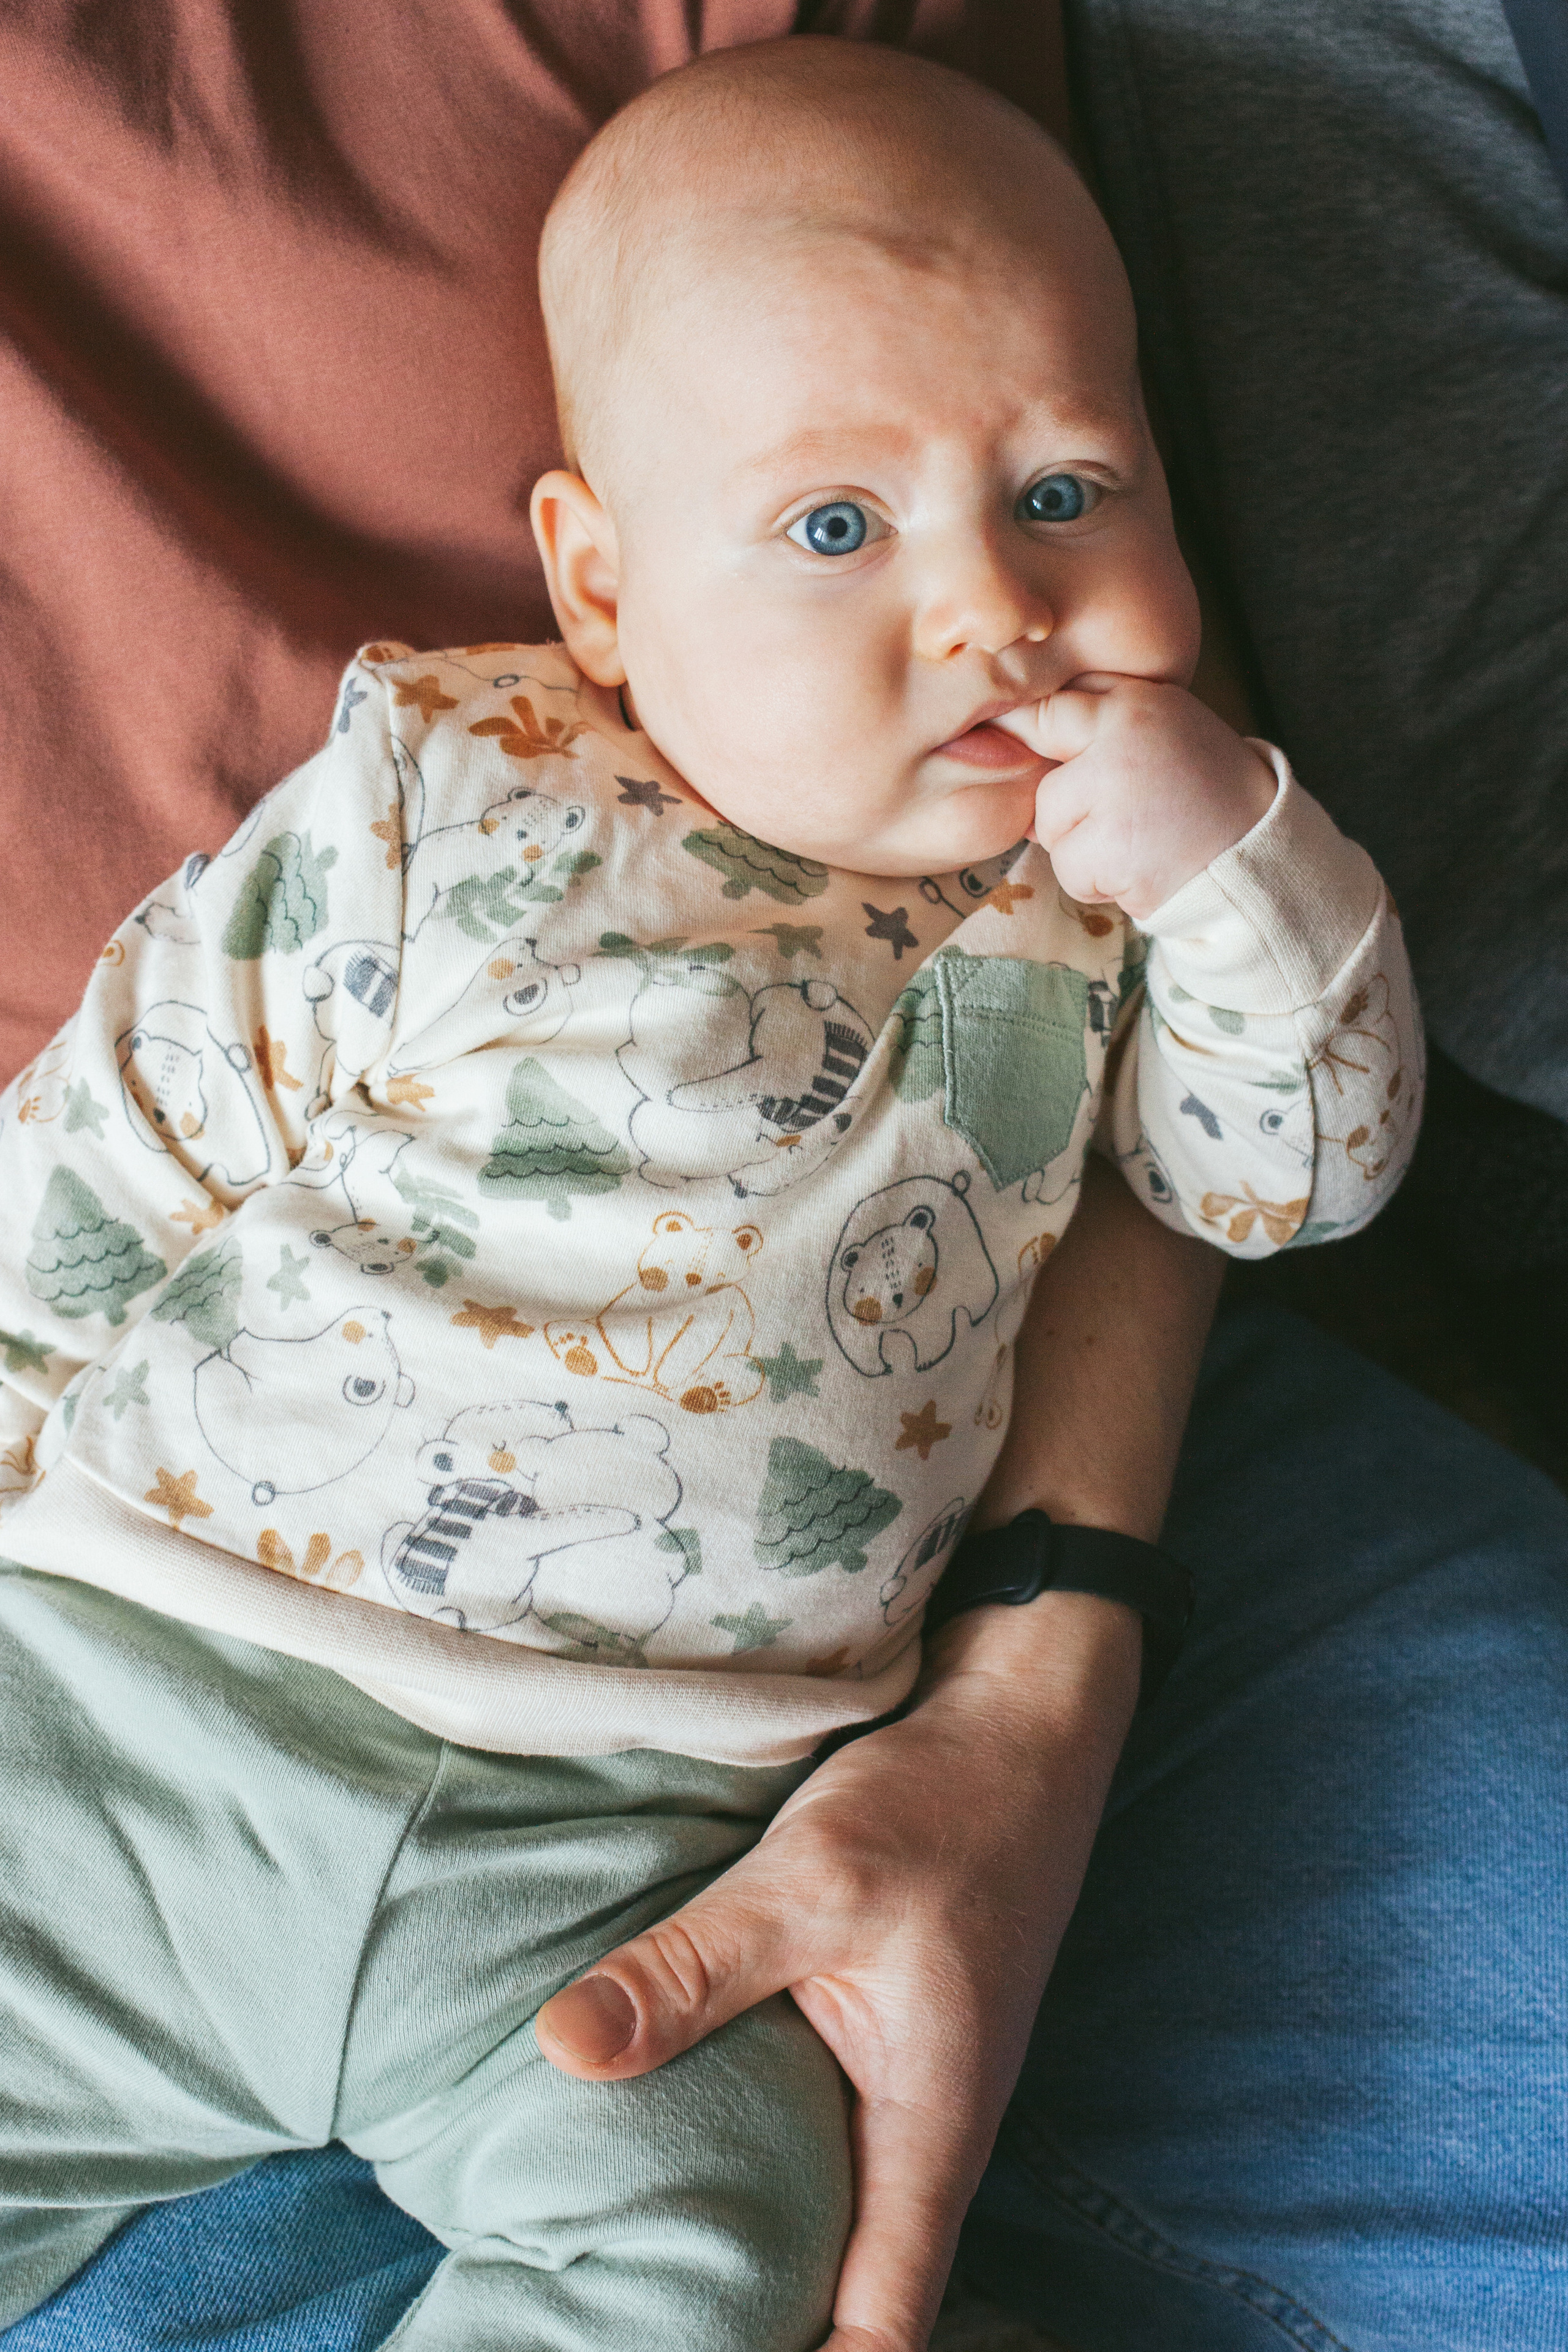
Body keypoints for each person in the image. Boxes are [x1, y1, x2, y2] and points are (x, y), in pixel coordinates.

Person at [0, 40, 1419, 2352]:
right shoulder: (457, 794)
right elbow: (124, 1133)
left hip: (640, 1851)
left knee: (728, 2242)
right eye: (839, 529)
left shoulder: (1111, 919)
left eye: (1068, 491)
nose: (995, 604)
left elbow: (1292, 1189)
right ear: (602, 582)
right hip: (139, 1701)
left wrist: (1245, 868)